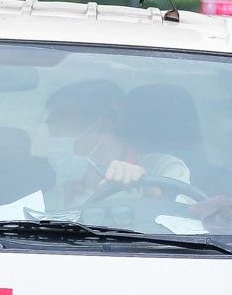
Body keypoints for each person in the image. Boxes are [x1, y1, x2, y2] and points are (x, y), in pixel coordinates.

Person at [43, 80, 189, 210]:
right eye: (53, 135)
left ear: (101, 127)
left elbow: (187, 218)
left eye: (61, 119)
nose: (51, 126)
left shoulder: (164, 167)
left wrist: (147, 186)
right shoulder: (58, 197)